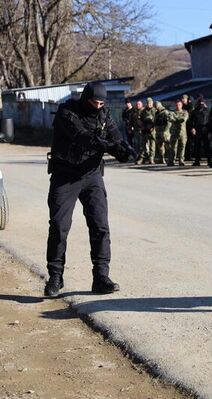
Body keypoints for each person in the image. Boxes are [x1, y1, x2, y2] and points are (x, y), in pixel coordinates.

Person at [44, 82, 135, 297]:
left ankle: (101, 277)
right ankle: (55, 277)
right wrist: (108, 146)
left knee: (100, 226)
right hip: (65, 176)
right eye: (95, 102)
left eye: (102, 103)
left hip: (92, 176)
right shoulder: (67, 111)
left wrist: (124, 150)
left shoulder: (104, 114)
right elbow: (82, 137)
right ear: (85, 99)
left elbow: (115, 137)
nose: (99, 106)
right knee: (59, 226)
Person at [167, 99, 189, 167]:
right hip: (174, 133)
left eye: (179, 105)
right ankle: (171, 161)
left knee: (182, 147)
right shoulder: (172, 112)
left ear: (181, 105)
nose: (178, 106)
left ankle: (181, 160)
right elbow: (170, 118)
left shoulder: (185, 112)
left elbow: (184, 119)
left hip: (183, 133)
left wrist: (176, 119)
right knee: (173, 148)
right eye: (177, 105)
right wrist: (177, 119)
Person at [190, 96, 210, 167]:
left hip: (205, 129)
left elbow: (210, 121)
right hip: (197, 129)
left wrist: (209, 130)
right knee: (197, 146)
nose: (201, 104)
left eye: (202, 103)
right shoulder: (194, 111)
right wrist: (192, 128)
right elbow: (191, 121)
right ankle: (197, 161)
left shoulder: (207, 110)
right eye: (200, 103)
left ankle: (209, 161)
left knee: (207, 146)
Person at [136, 97, 157, 165]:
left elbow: (157, 120)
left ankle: (151, 159)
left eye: (150, 103)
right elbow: (139, 119)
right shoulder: (143, 111)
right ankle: (142, 159)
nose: (149, 104)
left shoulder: (155, 111)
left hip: (152, 131)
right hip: (144, 130)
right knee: (142, 146)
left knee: (152, 146)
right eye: (148, 103)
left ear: (152, 103)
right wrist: (141, 124)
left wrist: (152, 125)